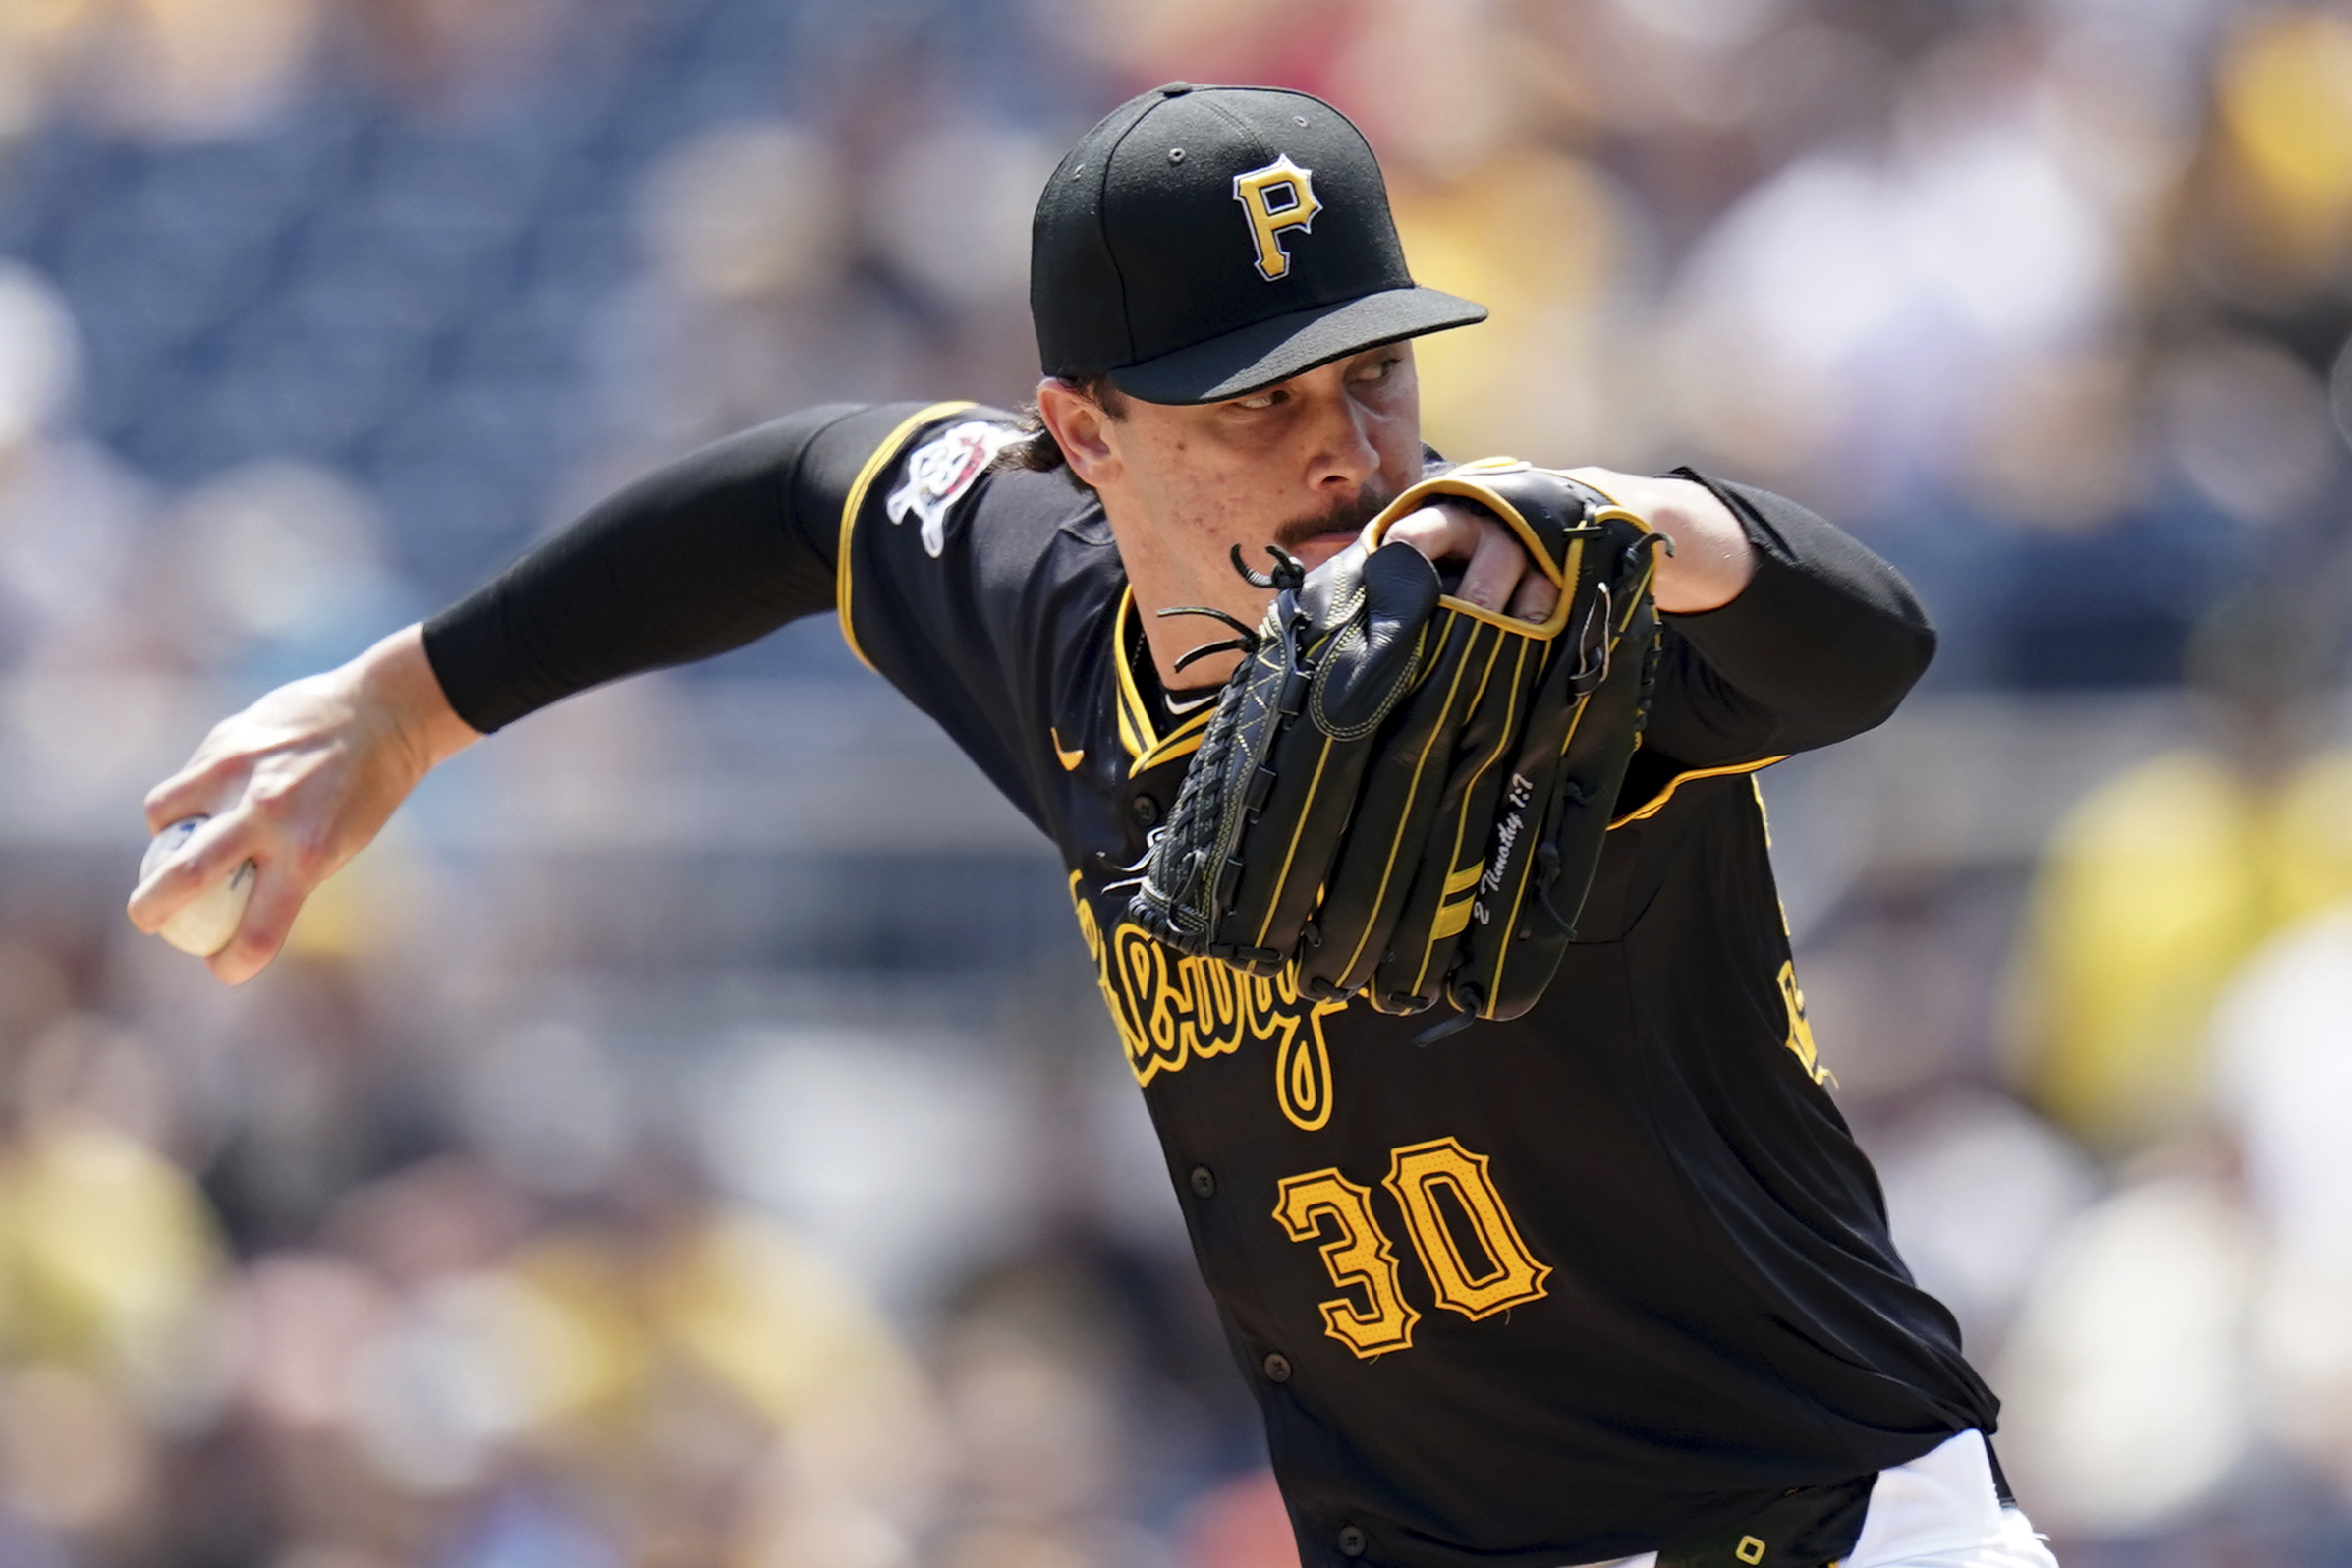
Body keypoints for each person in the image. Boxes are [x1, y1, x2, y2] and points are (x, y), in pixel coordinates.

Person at [130, 84, 2053, 1568]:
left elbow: (1862, 644)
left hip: (1823, 1524)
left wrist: (1628, 524)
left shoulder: (1530, 615)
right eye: (1255, 400)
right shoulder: (1046, 609)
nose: (1349, 450)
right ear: (1084, 428)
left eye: (1376, 373)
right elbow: (806, 494)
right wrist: (411, 706)